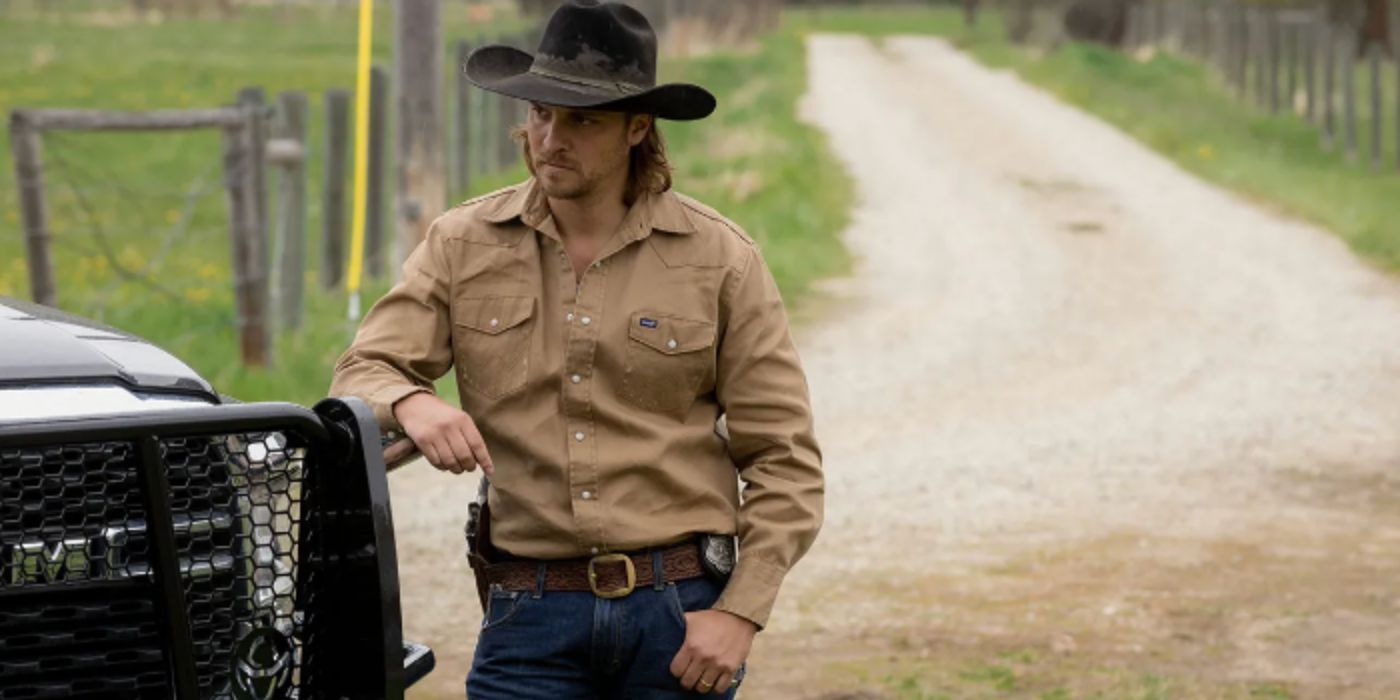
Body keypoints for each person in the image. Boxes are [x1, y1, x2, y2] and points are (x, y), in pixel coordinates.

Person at [329, 1, 823, 697]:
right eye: (540, 113)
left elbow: (784, 458)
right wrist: (413, 403)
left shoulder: (720, 260)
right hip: (527, 612)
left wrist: (740, 611)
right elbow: (363, 368)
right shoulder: (462, 244)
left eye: (582, 119)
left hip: (678, 612)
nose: (551, 137)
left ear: (637, 129)